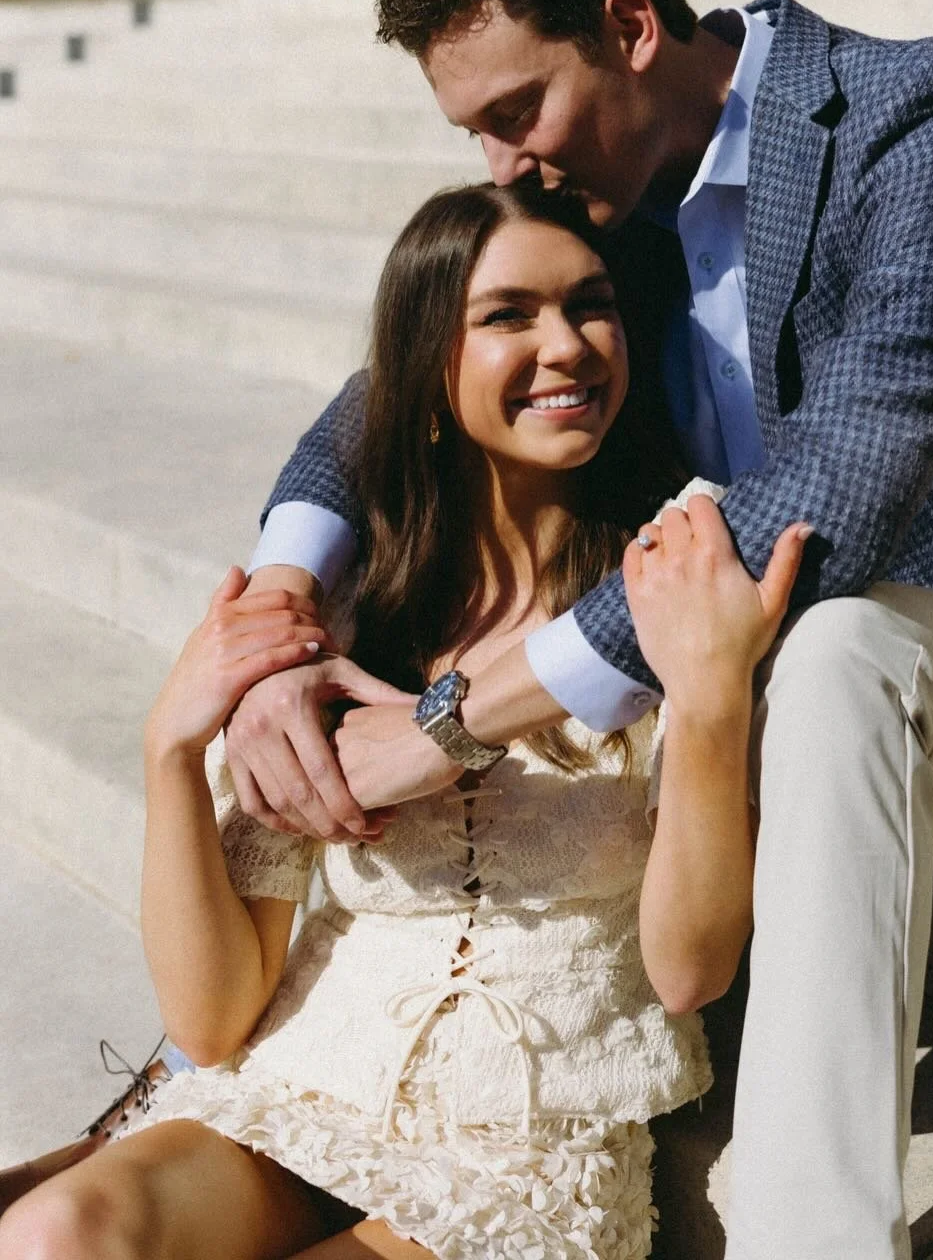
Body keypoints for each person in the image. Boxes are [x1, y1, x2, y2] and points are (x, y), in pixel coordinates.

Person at [225, 0, 933, 1260]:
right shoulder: (597, 189)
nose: (501, 163)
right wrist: (275, 618)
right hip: (729, 685)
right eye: (472, 131)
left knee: (833, 644)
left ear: (633, 28)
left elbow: (839, 489)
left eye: (517, 113)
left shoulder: (926, 124)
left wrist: (453, 724)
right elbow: (397, 385)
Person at [0, 182, 809, 1260]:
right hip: (300, 1094)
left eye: (591, 303)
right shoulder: (355, 603)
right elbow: (211, 1020)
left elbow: (688, 970)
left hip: (520, 1150)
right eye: (509, 315)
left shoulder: (667, 578)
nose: (566, 344)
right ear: (425, 372)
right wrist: (168, 751)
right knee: (59, 1229)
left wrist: (710, 701)